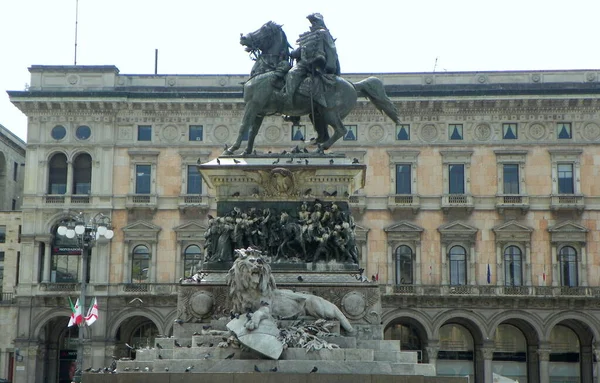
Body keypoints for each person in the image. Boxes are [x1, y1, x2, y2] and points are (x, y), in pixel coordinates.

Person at [283, 13, 340, 114]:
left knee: (292, 74)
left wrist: (329, 67)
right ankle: (294, 113)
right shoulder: (308, 36)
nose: (313, 24)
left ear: (320, 22)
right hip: (304, 63)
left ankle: (288, 101)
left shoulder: (323, 34)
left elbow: (331, 51)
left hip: (315, 64)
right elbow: (300, 50)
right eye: (312, 22)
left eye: (315, 21)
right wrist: (290, 53)